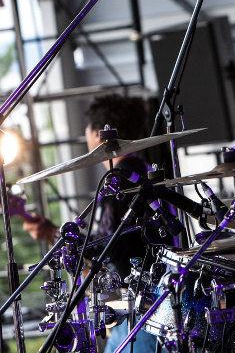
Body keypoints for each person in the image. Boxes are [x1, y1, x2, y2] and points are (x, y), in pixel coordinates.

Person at [23, 94, 161, 353]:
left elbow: (108, 246)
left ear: (99, 134)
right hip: (152, 298)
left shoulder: (120, 181)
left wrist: (55, 235)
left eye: (87, 129)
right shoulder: (143, 172)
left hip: (141, 308)